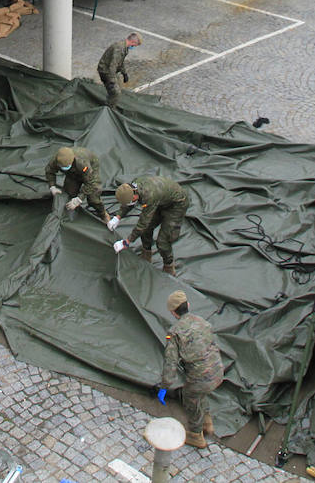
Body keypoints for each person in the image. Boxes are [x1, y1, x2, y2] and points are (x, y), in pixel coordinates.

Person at [156, 289, 224, 448]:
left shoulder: (174, 333)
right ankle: (208, 423)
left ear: (173, 313)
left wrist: (164, 387)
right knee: (201, 392)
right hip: (218, 371)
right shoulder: (203, 321)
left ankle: (195, 435)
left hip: (200, 378)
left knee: (190, 397)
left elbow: (170, 364)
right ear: (188, 305)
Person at [113, 174, 188, 275]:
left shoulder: (149, 196)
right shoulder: (133, 187)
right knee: (147, 230)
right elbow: (128, 203)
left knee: (163, 241)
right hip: (161, 200)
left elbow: (143, 223)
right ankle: (146, 255)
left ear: (135, 196)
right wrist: (117, 217)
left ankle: (169, 266)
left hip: (177, 205)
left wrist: (127, 241)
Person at [44, 146, 118, 228]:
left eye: (66, 166)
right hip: (72, 173)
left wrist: (79, 199)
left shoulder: (82, 162)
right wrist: (52, 186)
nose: (64, 168)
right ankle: (71, 213)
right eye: (62, 167)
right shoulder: (56, 160)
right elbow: (49, 171)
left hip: (90, 170)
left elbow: (90, 182)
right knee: (69, 192)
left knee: (93, 198)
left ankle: (103, 214)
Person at [97, 32, 142, 106]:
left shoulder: (124, 47)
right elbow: (113, 65)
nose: (134, 47)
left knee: (117, 87)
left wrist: (124, 73)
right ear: (133, 42)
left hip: (109, 70)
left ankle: (110, 101)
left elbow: (120, 62)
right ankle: (108, 109)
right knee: (116, 93)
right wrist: (111, 81)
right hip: (105, 71)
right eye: (135, 45)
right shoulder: (120, 48)